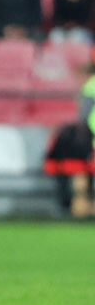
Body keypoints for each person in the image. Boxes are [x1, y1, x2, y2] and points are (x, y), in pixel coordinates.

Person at [44, 61, 95, 217]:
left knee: (81, 173)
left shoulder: (90, 87)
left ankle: (81, 211)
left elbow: (84, 116)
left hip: (91, 139)